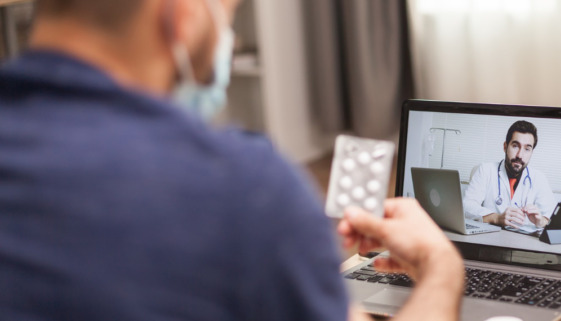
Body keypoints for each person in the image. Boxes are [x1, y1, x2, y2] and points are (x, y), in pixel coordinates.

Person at [0, 0, 464, 320]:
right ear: (181, 16)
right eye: (226, 13)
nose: (228, 35)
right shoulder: (247, 193)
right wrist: (442, 270)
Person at [463, 120, 557, 230]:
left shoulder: (539, 178)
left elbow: (552, 218)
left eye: (527, 149)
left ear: (532, 152)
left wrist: (540, 221)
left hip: (523, 243)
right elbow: (466, 207)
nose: (520, 155)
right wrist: (496, 218)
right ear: (505, 146)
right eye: (515, 146)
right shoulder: (485, 170)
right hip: (490, 240)